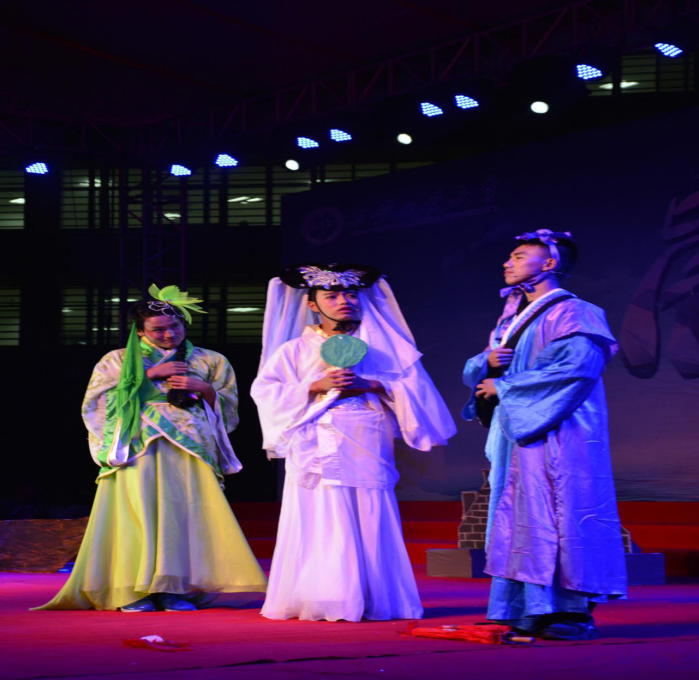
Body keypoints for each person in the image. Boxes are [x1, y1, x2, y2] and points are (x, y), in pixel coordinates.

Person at [36, 284, 267, 612]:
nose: (169, 334)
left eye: (175, 326)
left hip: (190, 448)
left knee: (184, 517)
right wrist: (149, 375)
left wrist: (204, 389)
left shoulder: (211, 360)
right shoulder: (116, 360)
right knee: (136, 515)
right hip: (137, 446)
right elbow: (96, 403)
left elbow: (229, 407)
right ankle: (134, 589)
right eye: (158, 329)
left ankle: (175, 588)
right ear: (141, 331)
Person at [251, 264, 456, 622]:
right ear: (313, 305)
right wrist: (314, 386)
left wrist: (372, 384)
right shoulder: (294, 350)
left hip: (366, 438)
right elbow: (265, 392)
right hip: (314, 442)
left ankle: (374, 596)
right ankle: (324, 597)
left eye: (350, 294)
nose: (344, 301)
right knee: (320, 512)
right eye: (331, 296)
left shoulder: (383, 346)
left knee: (370, 510)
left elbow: (415, 390)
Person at [462, 230, 627, 640]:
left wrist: (506, 387)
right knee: (520, 516)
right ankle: (526, 610)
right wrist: (488, 363)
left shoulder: (576, 311)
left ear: (549, 263)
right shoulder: (513, 317)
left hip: (561, 429)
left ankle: (570, 611)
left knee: (562, 512)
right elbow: (481, 369)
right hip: (522, 432)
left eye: (519, 256)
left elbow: (577, 368)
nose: (508, 263)